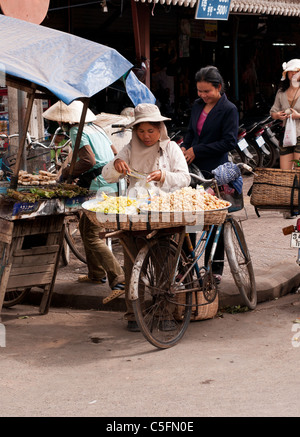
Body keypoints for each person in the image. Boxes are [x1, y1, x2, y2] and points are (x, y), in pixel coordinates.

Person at [102, 103, 190, 331]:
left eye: (151, 131)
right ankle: (134, 314)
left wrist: (163, 176)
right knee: (133, 264)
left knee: (164, 264)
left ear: (160, 129)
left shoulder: (171, 148)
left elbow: (185, 178)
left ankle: (164, 312)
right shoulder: (130, 148)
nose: (146, 136)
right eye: (141, 131)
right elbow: (107, 175)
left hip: (165, 214)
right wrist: (116, 164)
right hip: (136, 215)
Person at [42, 100, 125, 292]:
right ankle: (96, 274)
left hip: (100, 186)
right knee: (85, 227)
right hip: (112, 182)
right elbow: (113, 153)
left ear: (65, 121)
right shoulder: (97, 128)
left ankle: (118, 275)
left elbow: (88, 160)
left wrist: (68, 174)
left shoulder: (76, 131)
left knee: (92, 235)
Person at [180, 66, 239, 284]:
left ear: (219, 88)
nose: (203, 96)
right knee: (192, 220)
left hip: (215, 172)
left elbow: (229, 142)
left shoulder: (229, 109)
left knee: (215, 221)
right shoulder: (197, 106)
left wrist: (197, 150)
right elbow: (191, 133)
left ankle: (214, 270)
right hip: (193, 171)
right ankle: (186, 267)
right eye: (199, 91)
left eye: (207, 91)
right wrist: (185, 148)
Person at [270, 58, 300, 170]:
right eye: (291, 71)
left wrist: (298, 116)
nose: (294, 74)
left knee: (298, 170)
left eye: (297, 71)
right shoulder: (281, 92)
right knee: (285, 171)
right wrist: (277, 115)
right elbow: (273, 112)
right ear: (286, 73)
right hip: (286, 135)